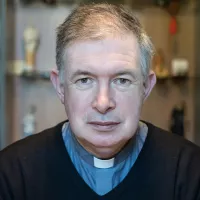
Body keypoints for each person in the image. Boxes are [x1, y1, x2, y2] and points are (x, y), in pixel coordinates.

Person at [0, 3, 200, 200]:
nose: (103, 103)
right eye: (84, 80)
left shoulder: (191, 172)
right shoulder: (11, 173)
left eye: (122, 80)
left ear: (146, 87)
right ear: (60, 87)